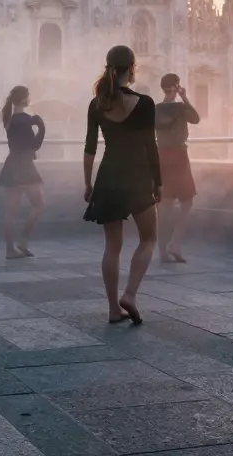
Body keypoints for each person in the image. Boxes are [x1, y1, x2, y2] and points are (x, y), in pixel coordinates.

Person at [83, 45, 162, 325]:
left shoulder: (97, 104)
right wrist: (158, 182)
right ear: (132, 68)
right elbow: (150, 147)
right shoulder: (145, 103)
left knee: (111, 247)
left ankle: (113, 310)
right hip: (138, 176)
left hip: (108, 176)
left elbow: (90, 148)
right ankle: (129, 294)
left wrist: (88, 184)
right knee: (149, 238)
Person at [155, 73, 200, 263]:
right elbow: (196, 119)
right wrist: (184, 96)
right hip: (179, 157)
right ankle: (176, 243)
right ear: (176, 87)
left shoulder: (155, 109)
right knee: (186, 203)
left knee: (163, 207)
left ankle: (162, 251)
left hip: (161, 156)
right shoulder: (181, 108)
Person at [0, 85, 46, 259]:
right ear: (24, 99)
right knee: (39, 204)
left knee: (10, 212)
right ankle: (23, 242)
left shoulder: (10, 119)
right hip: (24, 167)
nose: (30, 98)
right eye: (29, 95)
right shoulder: (25, 120)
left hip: (11, 166)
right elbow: (34, 145)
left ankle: (10, 250)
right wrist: (41, 128)